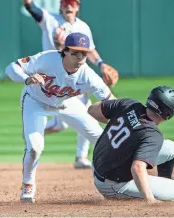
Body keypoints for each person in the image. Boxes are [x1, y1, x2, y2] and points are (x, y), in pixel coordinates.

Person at [5, 32, 116, 203]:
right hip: (36, 102)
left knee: (102, 139)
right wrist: (26, 79)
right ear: (65, 51)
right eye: (75, 53)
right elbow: (11, 68)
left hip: (67, 103)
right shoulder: (47, 59)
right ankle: (28, 184)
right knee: (35, 147)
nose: (80, 57)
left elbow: (112, 102)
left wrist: (131, 114)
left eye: (84, 53)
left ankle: (111, 181)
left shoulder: (88, 76)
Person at [23, 0, 119, 168]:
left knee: (88, 113)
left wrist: (101, 64)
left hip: (79, 78)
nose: (69, 6)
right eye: (66, 3)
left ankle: (81, 157)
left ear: (77, 7)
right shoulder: (50, 19)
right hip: (53, 78)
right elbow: (32, 9)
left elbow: (90, 50)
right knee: (61, 125)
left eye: (73, 3)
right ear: (60, 6)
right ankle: (36, 132)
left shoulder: (83, 27)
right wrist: (28, 3)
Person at [88, 86, 174, 203]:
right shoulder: (153, 134)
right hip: (112, 184)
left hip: (99, 163)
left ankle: (165, 181)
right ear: (167, 114)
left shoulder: (129, 104)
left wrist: (123, 122)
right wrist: (150, 199)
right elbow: (137, 168)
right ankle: (165, 188)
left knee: (171, 147)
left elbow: (92, 109)